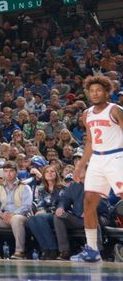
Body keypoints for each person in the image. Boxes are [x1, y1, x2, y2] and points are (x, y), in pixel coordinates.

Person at [72, 75, 123, 262]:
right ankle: (92, 250)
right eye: (92, 91)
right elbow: (90, 142)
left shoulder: (115, 110)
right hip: (97, 160)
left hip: (117, 156)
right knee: (88, 203)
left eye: (99, 90)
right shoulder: (87, 114)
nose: (95, 93)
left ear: (106, 92)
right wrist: (80, 165)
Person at [0, 162, 33, 259]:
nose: (8, 174)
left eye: (11, 171)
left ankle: (19, 251)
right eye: (6, 171)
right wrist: (1, 214)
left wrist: (12, 215)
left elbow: (27, 206)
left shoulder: (25, 187)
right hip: (4, 217)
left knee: (16, 219)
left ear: (16, 172)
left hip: (22, 217)